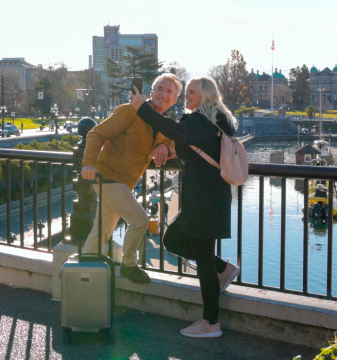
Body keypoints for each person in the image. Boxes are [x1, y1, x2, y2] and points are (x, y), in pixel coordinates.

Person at [129, 77, 241, 338]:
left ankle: (211, 323)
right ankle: (223, 269)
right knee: (173, 240)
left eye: (191, 92)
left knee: (202, 261)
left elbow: (175, 131)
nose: (187, 96)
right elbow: (196, 146)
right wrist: (170, 152)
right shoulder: (212, 119)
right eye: (186, 92)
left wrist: (142, 109)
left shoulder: (202, 119)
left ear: (204, 95)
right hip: (207, 198)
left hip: (205, 199)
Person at [81, 73, 180, 284]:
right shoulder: (130, 111)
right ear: (151, 93)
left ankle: (82, 275)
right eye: (160, 89)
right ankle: (128, 265)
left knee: (103, 230)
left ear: (174, 100)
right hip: (108, 178)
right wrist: (88, 163)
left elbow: (173, 142)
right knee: (140, 220)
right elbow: (95, 133)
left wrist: (164, 145)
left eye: (169, 92)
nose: (163, 94)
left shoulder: (163, 124)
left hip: (122, 183)